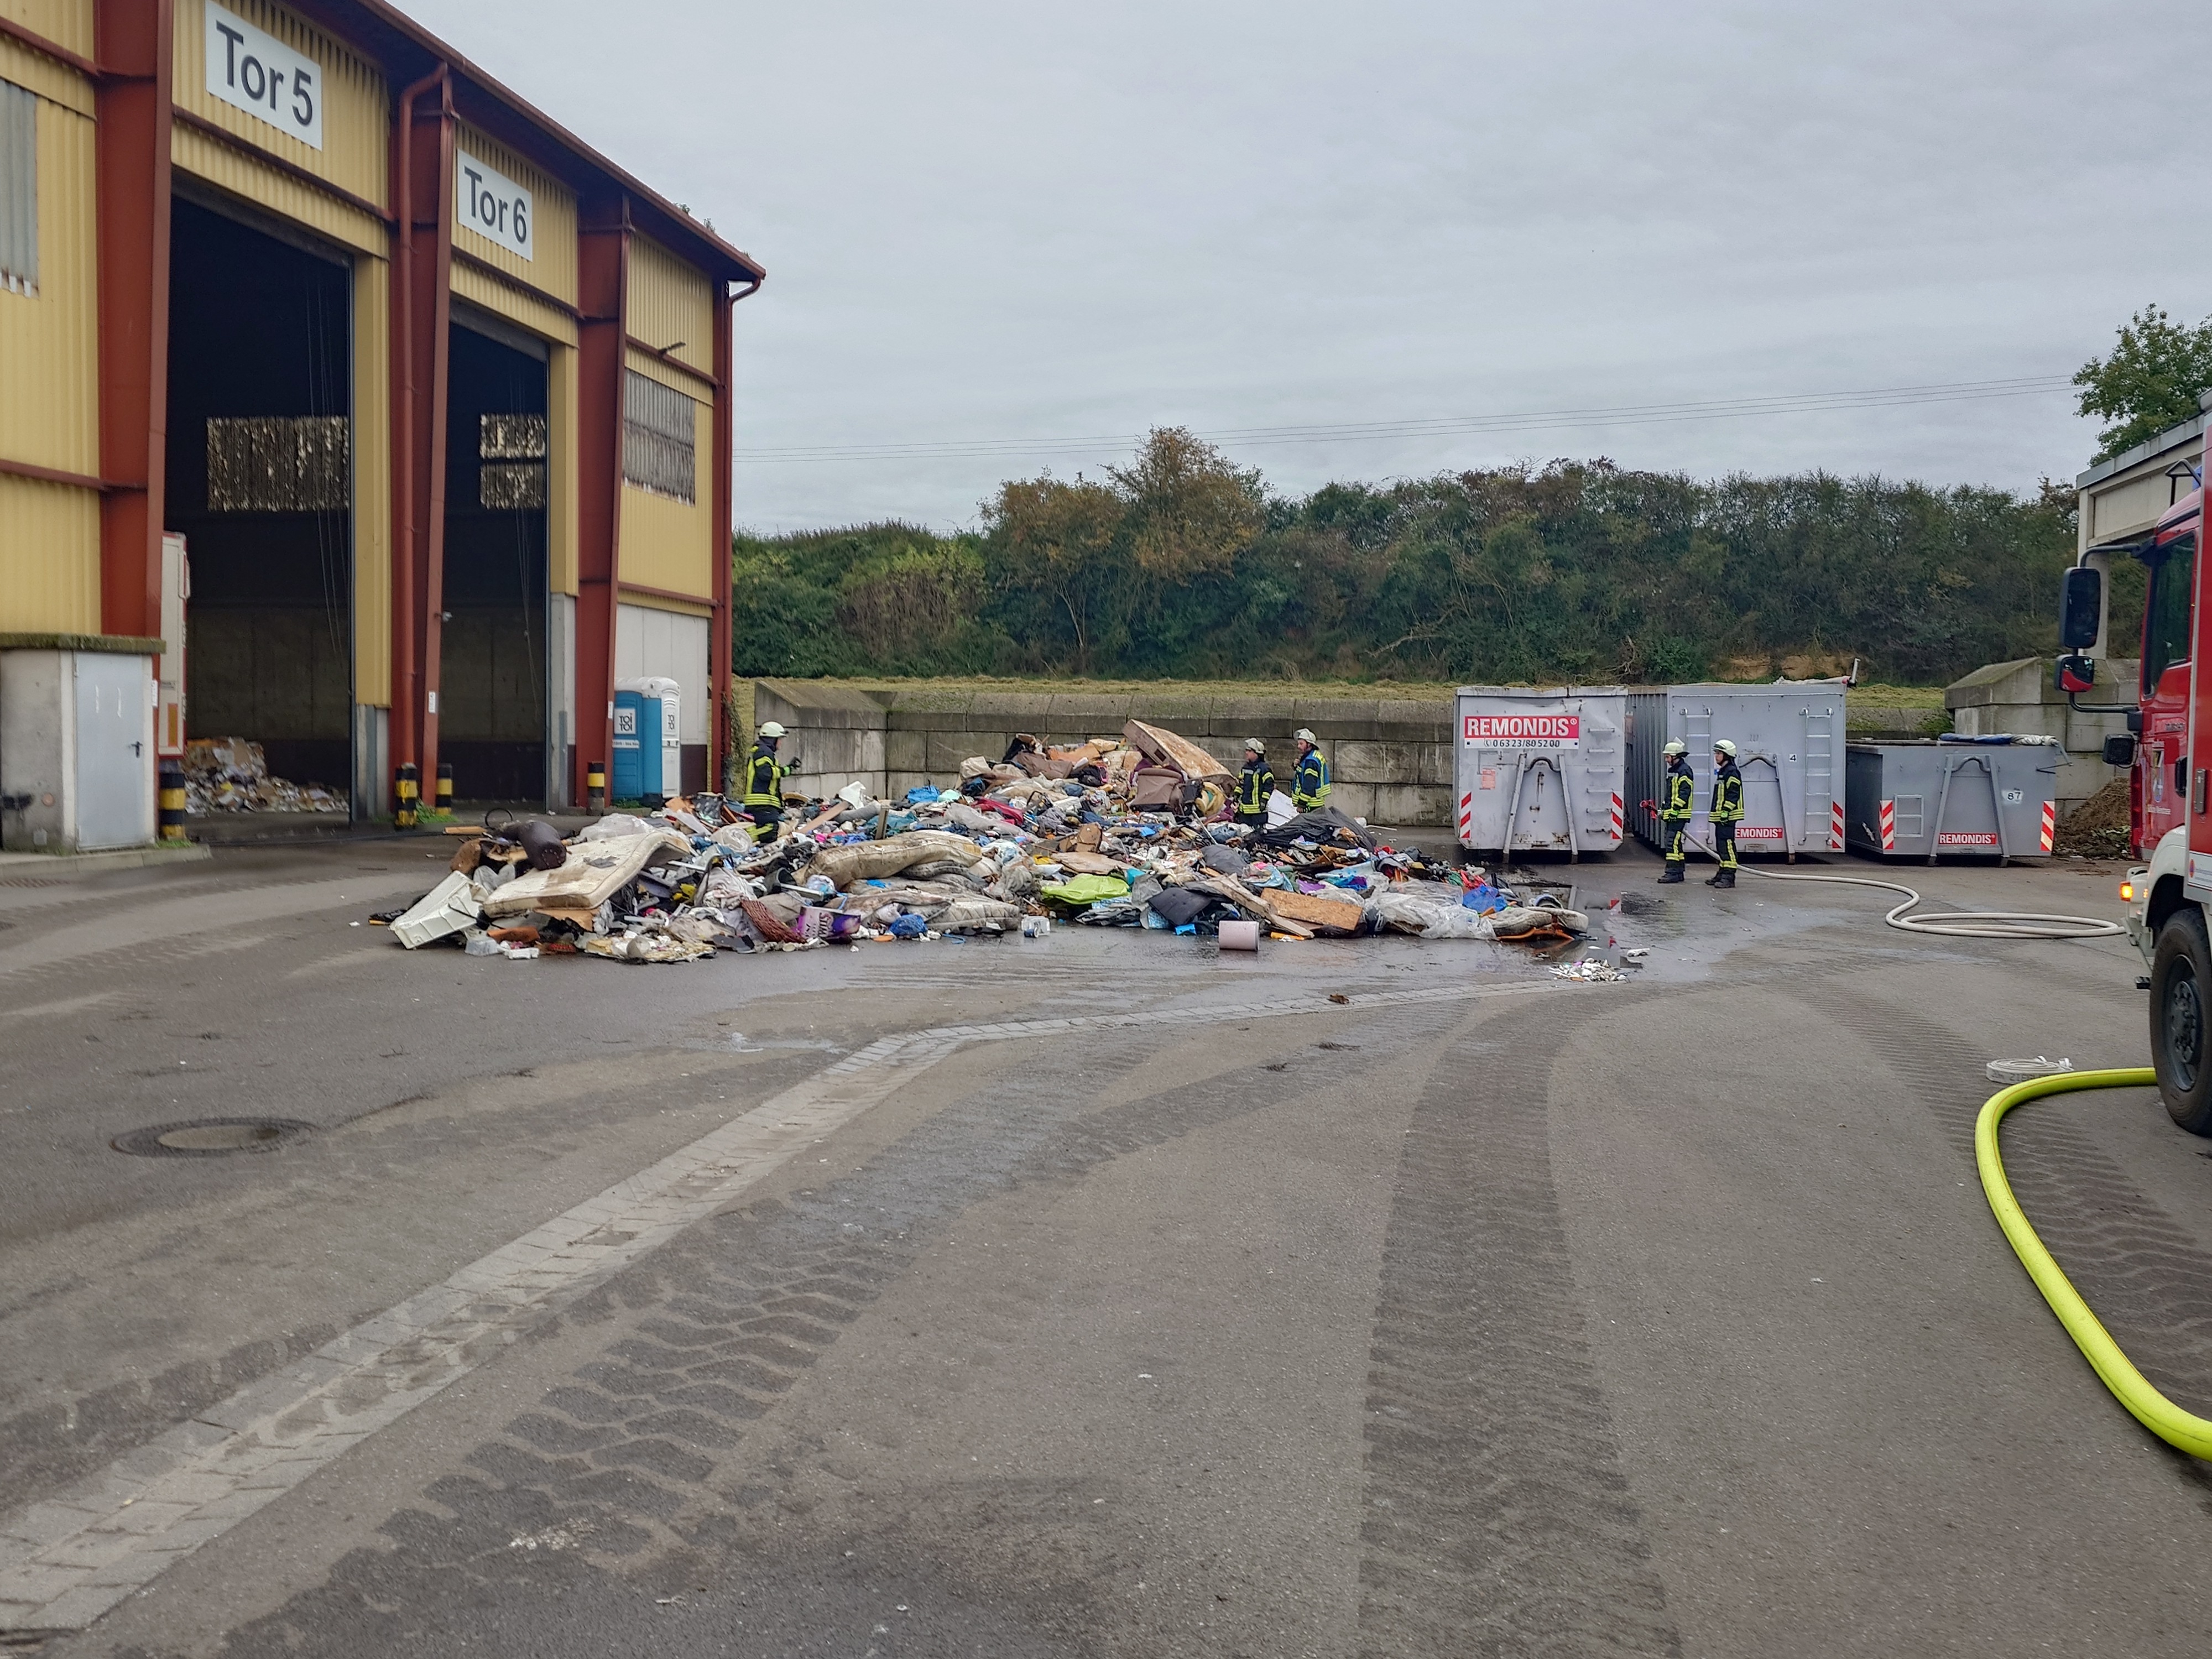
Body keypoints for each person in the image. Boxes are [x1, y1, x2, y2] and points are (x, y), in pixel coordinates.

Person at [742, 721, 792, 841]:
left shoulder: (763, 751)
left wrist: (787, 769)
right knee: (771, 828)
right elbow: (765, 773)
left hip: (762, 802)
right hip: (761, 802)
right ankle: (743, 838)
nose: (781, 742)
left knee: (770, 827)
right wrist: (783, 771)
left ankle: (744, 837)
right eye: (779, 739)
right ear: (772, 739)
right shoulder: (764, 751)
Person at [1706, 738, 1743, 888]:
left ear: (1727, 755)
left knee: (1727, 846)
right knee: (1722, 846)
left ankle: (1729, 877)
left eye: (1719, 753)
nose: (1716, 756)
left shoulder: (1732, 772)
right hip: (1721, 816)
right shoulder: (1724, 772)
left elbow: (1733, 794)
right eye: (1716, 753)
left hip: (1728, 816)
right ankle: (1722, 873)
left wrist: (1726, 811)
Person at [1656, 739, 1693, 883]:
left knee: (1672, 842)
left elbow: (1684, 793)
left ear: (1675, 756)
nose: (1666, 760)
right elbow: (1670, 794)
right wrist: (1664, 809)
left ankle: (1672, 873)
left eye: (1668, 757)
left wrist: (1675, 809)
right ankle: (1679, 872)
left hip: (1679, 814)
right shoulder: (1674, 771)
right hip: (1673, 813)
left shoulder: (1684, 771)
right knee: (1675, 843)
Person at [1236, 739, 1275, 830]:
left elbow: (1269, 786)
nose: (1246, 753)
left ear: (1257, 753)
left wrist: (1264, 800)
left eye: (1249, 751)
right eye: (1246, 750)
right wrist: (1236, 794)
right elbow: (1241, 784)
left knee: (1258, 835)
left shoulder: (1264, 769)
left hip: (1258, 812)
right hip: (1244, 812)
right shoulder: (1245, 768)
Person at [1291, 728, 1331, 810]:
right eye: (1298, 744)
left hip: (1310, 805)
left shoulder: (1310, 761)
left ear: (1309, 744)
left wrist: (1302, 803)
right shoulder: (1313, 757)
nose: (1299, 746)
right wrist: (1296, 766)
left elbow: (1309, 784)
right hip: (1314, 803)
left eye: (1301, 744)